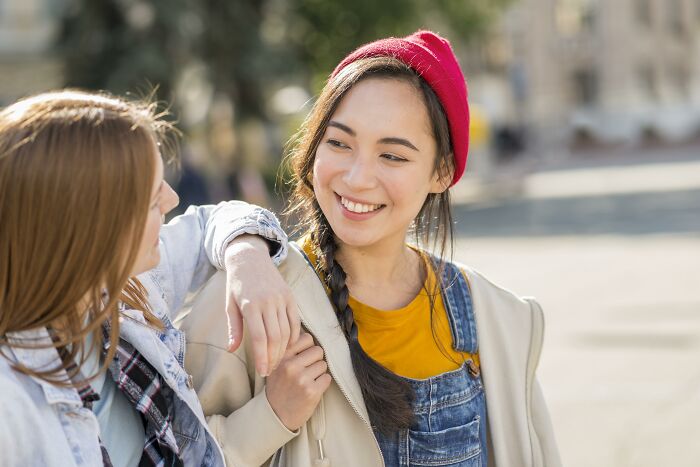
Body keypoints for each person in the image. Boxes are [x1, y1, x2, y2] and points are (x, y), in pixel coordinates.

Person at [183, 31, 561, 466]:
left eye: (393, 156)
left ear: (441, 172)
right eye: (339, 143)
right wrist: (269, 418)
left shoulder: (495, 319)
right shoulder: (245, 303)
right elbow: (178, 454)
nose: (358, 177)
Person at [0, 90, 300, 466]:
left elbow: (213, 219)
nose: (172, 200)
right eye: (151, 197)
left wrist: (246, 256)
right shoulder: (11, 408)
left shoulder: (121, 287)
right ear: (91, 224)